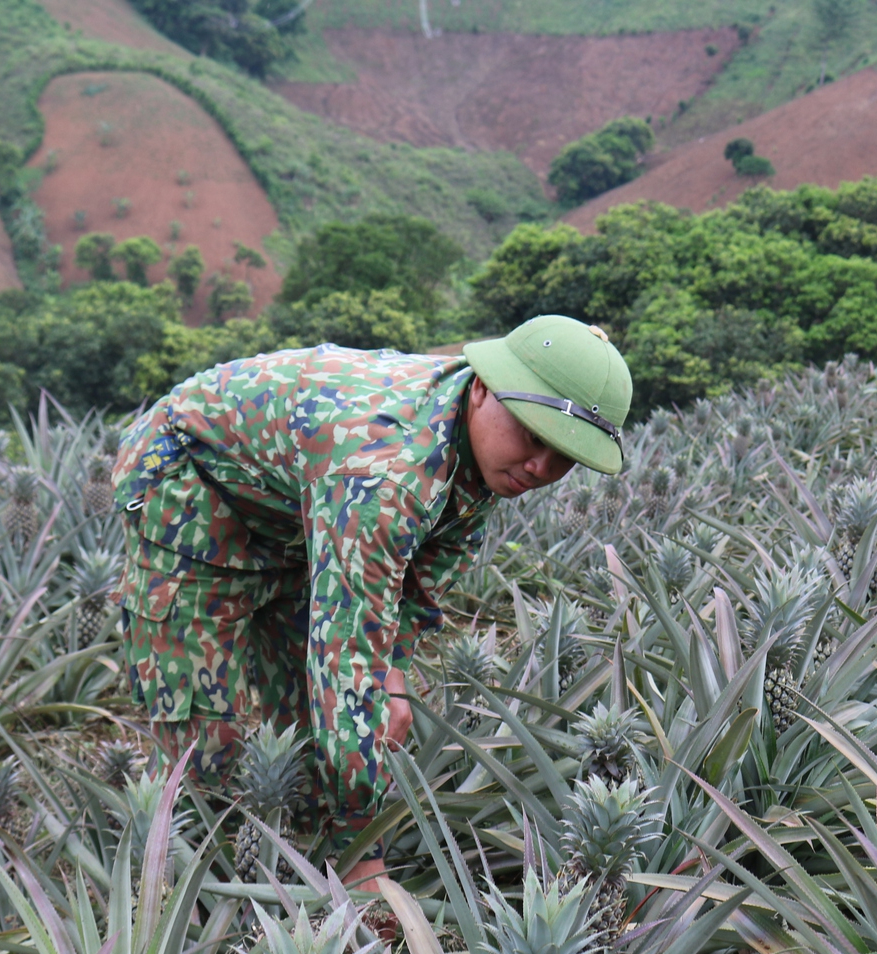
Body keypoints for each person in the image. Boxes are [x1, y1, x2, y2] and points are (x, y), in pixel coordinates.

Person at [112, 314, 632, 888]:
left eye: (564, 456)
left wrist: (395, 676)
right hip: (191, 480)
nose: (541, 469)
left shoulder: (481, 447)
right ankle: (189, 894)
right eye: (534, 436)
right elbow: (346, 657)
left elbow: (410, 589)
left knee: (303, 720)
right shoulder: (386, 478)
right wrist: (366, 847)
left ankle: (303, 860)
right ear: (483, 388)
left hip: (294, 503)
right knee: (212, 735)